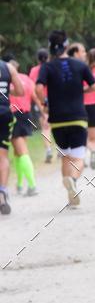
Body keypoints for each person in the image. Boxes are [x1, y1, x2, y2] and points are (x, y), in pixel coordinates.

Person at [35, 30, 95, 207]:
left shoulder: (47, 67)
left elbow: (38, 88)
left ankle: (70, 196)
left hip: (57, 120)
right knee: (78, 158)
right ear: (67, 45)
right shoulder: (80, 65)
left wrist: (45, 103)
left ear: (50, 47)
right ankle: (73, 180)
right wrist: (82, 90)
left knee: (65, 156)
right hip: (78, 117)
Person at [6, 57, 38, 196]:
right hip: (26, 115)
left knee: (22, 151)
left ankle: (32, 185)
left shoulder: (7, 81)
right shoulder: (26, 79)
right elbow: (34, 96)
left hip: (14, 115)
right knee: (17, 152)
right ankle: (19, 184)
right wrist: (42, 111)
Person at [0, 56, 24, 214]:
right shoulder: (8, 67)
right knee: (2, 156)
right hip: (3, 114)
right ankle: (2, 192)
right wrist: (7, 91)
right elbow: (20, 91)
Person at [29, 48, 52, 163]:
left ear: (38, 59)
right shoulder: (52, 67)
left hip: (40, 101)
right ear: (48, 57)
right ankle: (61, 150)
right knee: (57, 126)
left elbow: (32, 87)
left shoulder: (34, 71)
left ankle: (48, 150)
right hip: (54, 99)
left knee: (45, 127)